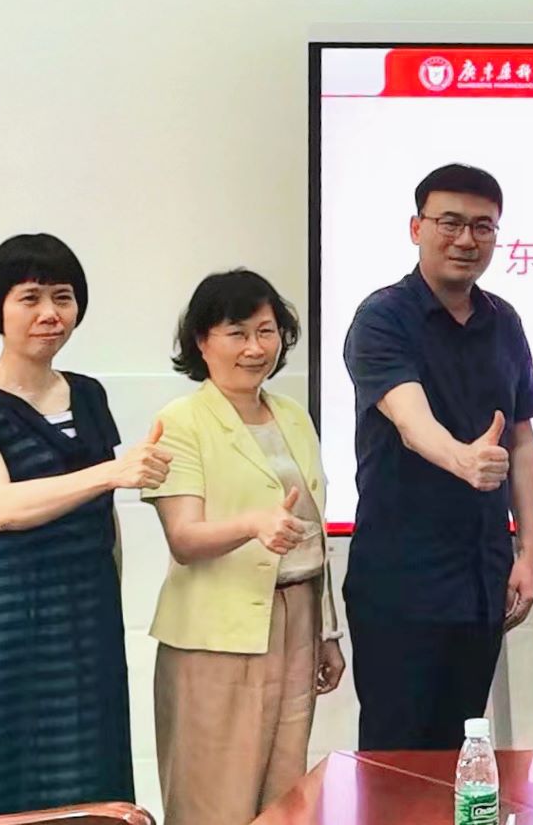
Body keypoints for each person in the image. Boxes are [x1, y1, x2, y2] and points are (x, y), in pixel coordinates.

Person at [0, 234, 169, 815]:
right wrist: (110, 472)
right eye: (29, 298)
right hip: (4, 618)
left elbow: (104, 516)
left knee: (92, 781)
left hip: (87, 614)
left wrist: (110, 592)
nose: (49, 314)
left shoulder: (88, 395)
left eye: (62, 297)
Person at [343, 163, 533, 750]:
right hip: (401, 577)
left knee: (464, 749)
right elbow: (412, 423)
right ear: (417, 228)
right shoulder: (383, 317)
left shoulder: (504, 321)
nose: (466, 240)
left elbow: (521, 439)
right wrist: (464, 461)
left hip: (482, 575)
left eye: (482, 227)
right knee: (396, 753)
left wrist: (529, 550)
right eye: (450, 223)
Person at [145, 270, 345, 825]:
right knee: (213, 796)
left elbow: (314, 528)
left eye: (266, 331)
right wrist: (252, 524)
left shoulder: (292, 416)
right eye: (237, 333)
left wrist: (328, 632)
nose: (255, 348)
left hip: (297, 618)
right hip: (216, 634)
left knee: (284, 793)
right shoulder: (181, 421)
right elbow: (184, 538)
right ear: (202, 341)